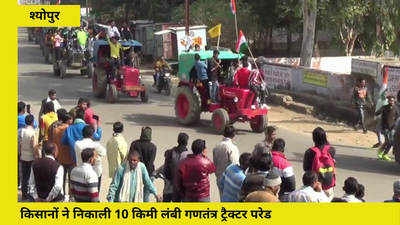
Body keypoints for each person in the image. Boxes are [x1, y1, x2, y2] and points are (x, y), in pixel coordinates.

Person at [303, 127, 336, 200]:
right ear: (325, 137)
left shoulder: (309, 152)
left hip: (314, 186)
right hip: (329, 186)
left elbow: (306, 168)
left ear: (314, 138)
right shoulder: (331, 150)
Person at [74, 125, 106, 191]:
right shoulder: (96, 145)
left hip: (81, 171)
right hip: (95, 172)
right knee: (94, 193)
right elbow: (104, 152)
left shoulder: (77, 144)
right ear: (92, 134)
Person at [129, 127, 157, 202]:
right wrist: (146, 175)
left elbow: (130, 157)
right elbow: (151, 162)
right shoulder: (153, 147)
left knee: (134, 194)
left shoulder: (134, 144)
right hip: (149, 173)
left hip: (136, 172)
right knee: (145, 196)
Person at [212, 125, 240, 200]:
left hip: (219, 177)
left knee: (222, 198)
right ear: (233, 135)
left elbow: (215, 163)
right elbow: (235, 164)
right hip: (229, 179)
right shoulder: (232, 147)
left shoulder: (217, 146)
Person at [162, 132, 190, 202]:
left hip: (169, 185)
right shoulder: (189, 155)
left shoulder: (169, 152)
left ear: (178, 141)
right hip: (182, 186)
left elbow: (166, 169)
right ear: (186, 142)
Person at [51, 112, 73, 196]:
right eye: (71, 119)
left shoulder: (55, 130)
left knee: (61, 179)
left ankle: (62, 195)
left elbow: (54, 143)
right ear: (68, 120)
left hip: (59, 157)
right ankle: (70, 196)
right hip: (69, 157)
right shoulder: (69, 129)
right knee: (71, 180)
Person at [18, 115, 39, 200]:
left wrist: (19, 153)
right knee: (31, 176)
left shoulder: (21, 131)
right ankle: (30, 194)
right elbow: (34, 146)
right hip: (31, 157)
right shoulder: (33, 132)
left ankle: (24, 194)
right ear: (32, 122)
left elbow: (19, 144)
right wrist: (37, 155)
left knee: (24, 176)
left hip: (23, 156)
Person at [375, 95, 399, 161]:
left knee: (389, 142)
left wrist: (395, 125)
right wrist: (379, 111)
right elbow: (376, 113)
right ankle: (384, 154)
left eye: (392, 100)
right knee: (389, 142)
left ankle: (381, 152)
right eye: (389, 100)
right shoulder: (384, 107)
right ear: (388, 101)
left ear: (394, 101)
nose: (391, 101)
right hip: (385, 127)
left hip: (392, 128)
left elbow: (398, 117)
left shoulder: (396, 108)